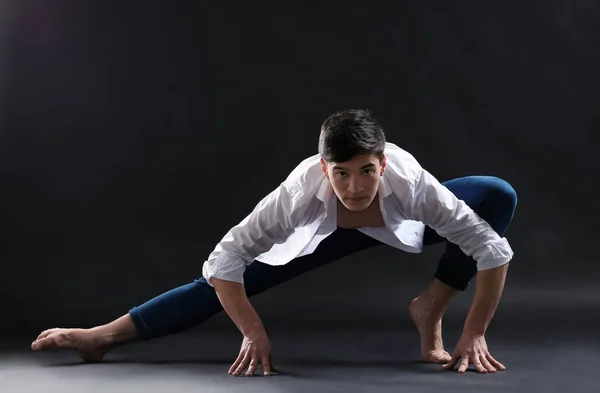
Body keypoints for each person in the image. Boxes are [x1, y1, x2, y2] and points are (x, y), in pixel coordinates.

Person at [31, 109, 517, 376]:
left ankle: (429, 306)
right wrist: (252, 331)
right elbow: (224, 261)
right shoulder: (298, 195)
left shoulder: (412, 185)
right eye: (341, 174)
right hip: (319, 236)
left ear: (384, 164)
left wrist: (473, 330)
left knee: (495, 195)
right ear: (324, 168)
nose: (354, 187)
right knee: (217, 286)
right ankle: (104, 337)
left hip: (402, 223)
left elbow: (491, 250)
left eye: (367, 171)